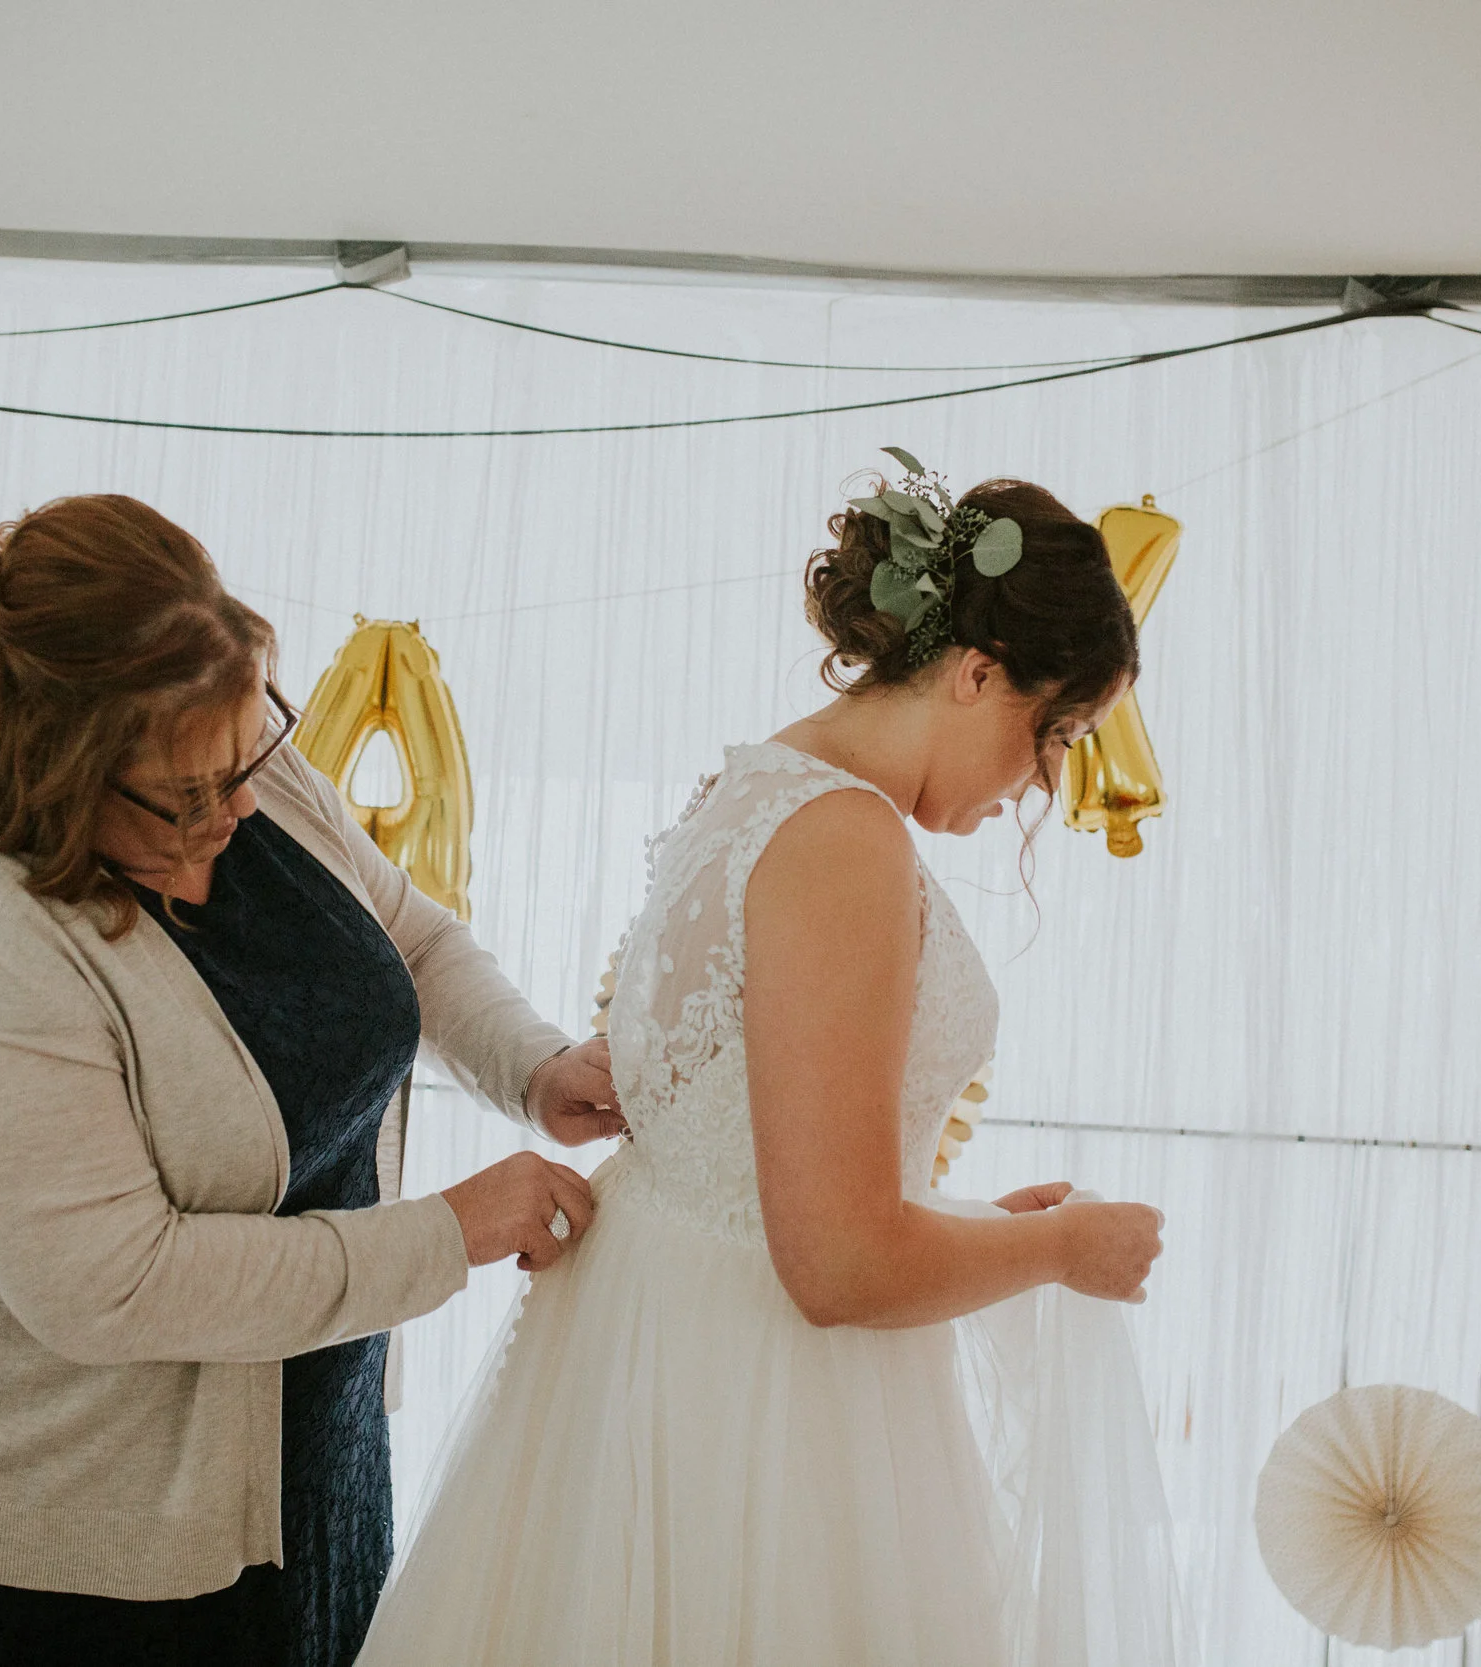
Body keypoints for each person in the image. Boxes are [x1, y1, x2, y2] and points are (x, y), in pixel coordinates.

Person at [358, 454, 1187, 1667]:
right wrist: (1064, 1249)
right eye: (1053, 732)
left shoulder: (752, 786)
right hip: (765, 1406)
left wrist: (972, 1227)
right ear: (975, 673)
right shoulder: (843, 837)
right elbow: (835, 1263)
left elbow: (754, 1171)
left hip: (658, 1356)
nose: (1040, 785)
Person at [0, 495, 621, 1667]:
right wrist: (447, 1235)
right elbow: (115, 1284)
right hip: (38, 1527)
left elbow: (410, 937)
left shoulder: (229, 766)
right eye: (189, 792)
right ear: (57, 764)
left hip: (302, 1448)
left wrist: (536, 1064)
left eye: (251, 750)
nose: (239, 804)